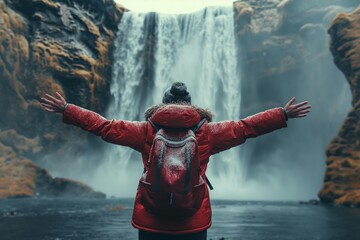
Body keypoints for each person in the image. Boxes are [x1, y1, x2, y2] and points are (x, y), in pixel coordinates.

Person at [40, 82, 311, 240]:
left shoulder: (145, 130)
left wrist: (68, 110)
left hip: (151, 217)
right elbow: (245, 127)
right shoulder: (207, 132)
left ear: (163, 103)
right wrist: (282, 114)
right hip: (193, 218)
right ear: (191, 105)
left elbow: (104, 126)